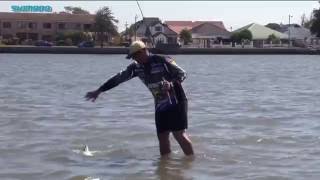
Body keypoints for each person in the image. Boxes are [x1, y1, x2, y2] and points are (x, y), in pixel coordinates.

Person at [85, 41, 194, 156]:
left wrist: (171, 83)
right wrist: (100, 90)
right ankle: (165, 168)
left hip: (177, 101)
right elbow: (119, 78)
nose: (135, 59)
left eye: (136, 56)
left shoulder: (162, 60)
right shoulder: (136, 68)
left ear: (144, 51)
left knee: (178, 134)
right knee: (162, 137)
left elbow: (182, 73)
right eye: (133, 57)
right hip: (160, 104)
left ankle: (191, 161)